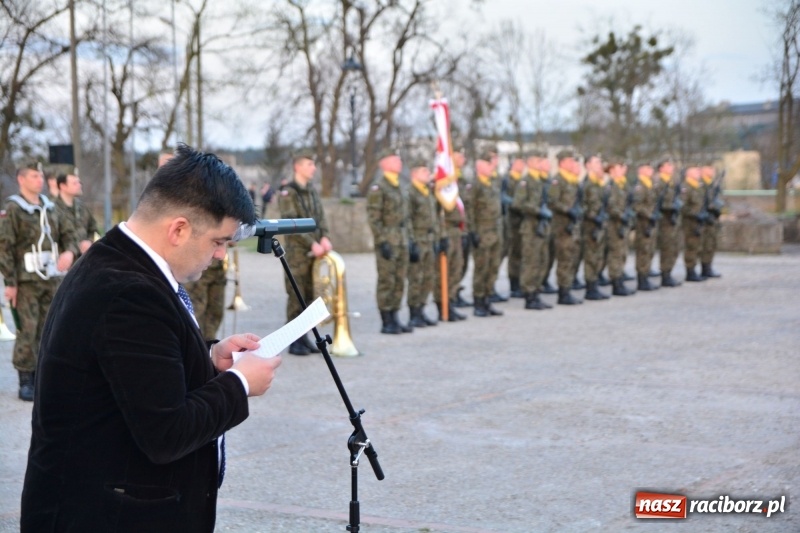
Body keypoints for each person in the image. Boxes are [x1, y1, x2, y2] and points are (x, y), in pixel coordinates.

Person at [20, 144, 282, 532]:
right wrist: (239, 384)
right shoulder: (129, 293)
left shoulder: (117, 260)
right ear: (179, 229)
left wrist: (210, 357)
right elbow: (166, 432)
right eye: (218, 242)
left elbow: (134, 369)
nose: (220, 256)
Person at [0, 163, 77, 401]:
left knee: (50, 328)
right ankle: (26, 379)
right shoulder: (14, 208)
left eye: (41, 175)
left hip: (51, 278)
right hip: (26, 281)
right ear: (21, 179)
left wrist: (69, 252)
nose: (40, 180)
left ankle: (45, 377)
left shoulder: (50, 207)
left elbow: (69, 234)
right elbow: (5, 246)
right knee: (28, 329)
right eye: (34, 176)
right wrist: (10, 282)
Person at [278, 150, 332, 354]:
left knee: (310, 296)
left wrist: (324, 236)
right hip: (297, 254)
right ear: (297, 167)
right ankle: (294, 341)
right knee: (296, 296)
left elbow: (321, 217)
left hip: (314, 253)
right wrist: (311, 244)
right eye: (309, 164)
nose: (314, 168)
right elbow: (291, 223)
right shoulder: (288, 193)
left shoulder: (311, 191)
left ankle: (304, 337)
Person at [367, 148, 412, 334]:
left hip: (401, 240)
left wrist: (410, 239)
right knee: (387, 280)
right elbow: (374, 218)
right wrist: (381, 241)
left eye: (399, 159)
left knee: (399, 280)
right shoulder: (379, 188)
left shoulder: (400, 185)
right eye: (395, 159)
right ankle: (386, 320)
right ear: (384, 163)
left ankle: (395, 316)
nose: (399, 162)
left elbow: (406, 217)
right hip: (388, 241)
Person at [512, 149, 553, 310]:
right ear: (529, 162)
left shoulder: (541, 181)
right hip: (530, 227)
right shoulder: (526, 182)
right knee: (531, 262)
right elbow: (517, 203)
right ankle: (529, 295)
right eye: (537, 160)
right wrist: (537, 210)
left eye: (541, 160)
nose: (540, 163)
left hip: (542, 227)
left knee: (542, 260)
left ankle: (536, 291)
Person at [467, 149, 504, 317]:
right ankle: (478, 301)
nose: (492, 166)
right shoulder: (475, 186)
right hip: (482, 232)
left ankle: (488, 299)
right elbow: (470, 211)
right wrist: (473, 231)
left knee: (493, 267)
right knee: (481, 268)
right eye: (489, 163)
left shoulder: (492, 183)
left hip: (495, 231)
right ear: (479, 165)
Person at [406, 158, 439, 328]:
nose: (428, 174)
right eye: (424, 171)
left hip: (429, 239)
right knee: (416, 277)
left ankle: (421, 309)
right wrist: (411, 242)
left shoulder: (427, 191)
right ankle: (413, 312)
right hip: (417, 239)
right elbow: (407, 219)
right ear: (414, 174)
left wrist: (437, 238)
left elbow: (434, 218)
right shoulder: (410, 193)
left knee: (428, 277)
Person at [547, 149, 583, 305]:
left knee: (570, 258)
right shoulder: (557, 181)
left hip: (571, 226)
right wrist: (567, 210)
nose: (573, 163)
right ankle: (563, 292)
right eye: (570, 161)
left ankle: (567, 288)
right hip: (561, 227)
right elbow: (552, 201)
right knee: (564, 259)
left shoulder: (571, 181)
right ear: (562, 163)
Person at [580, 154, 610, 301]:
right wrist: (593, 216)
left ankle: (595, 284)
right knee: (591, 257)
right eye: (597, 162)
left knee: (598, 255)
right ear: (588, 165)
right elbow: (582, 206)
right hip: (589, 225)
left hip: (600, 225)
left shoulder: (599, 184)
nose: (600, 165)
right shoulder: (585, 185)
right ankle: (590, 288)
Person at [605, 158, 635, 296]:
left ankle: (620, 278)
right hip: (614, 225)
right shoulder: (611, 186)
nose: (624, 169)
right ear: (611, 170)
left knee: (622, 252)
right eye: (620, 167)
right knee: (616, 254)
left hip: (623, 223)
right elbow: (611, 206)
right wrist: (622, 215)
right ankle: (616, 283)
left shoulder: (623, 185)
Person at [654, 159, 683, 287]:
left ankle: (669, 271)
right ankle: (665, 274)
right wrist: (670, 206)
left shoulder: (672, 182)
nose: (672, 168)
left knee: (674, 247)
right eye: (668, 165)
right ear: (661, 168)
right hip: (664, 220)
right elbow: (657, 202)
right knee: (667, 248)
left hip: (673, 219)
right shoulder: (659, 183)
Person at [55, 172, 98, 257]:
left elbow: (94, 231)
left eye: (79, 182)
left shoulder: (83, 208)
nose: (79, 185)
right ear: (63, 186)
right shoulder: (52, 209)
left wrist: (90, 241)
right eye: (75, 183)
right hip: (62, 260)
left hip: (84, 260)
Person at [502, 156, 526, 298]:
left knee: (521, 252)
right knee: (514, 253)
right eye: (519, 163)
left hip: (521, 220)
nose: (522, 165)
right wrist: (516, 203)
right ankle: (514, 283)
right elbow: (504, 197)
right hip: (512, 221)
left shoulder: (521, 180)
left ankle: (519, 281)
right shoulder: (507, 180)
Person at [633, 163, 659, 292]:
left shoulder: (650, 185)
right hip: (643, 223)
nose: (651, 170)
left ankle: (646, 275)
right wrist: (649, 214)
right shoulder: (640, 187)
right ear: (641, 170)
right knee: (643, 250)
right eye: (648, 168)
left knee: (650, 249)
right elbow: (637, 205)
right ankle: (642, 279)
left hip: (651, 222)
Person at [681, 165, 706, 282]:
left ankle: (694, 269)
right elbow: (683, 206)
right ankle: (690, 271)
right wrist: (695, 214)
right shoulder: (686, 187)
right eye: (695, 171)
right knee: (691, 246)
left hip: (698, 221)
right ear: (688, 173)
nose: (698, 173)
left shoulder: (698, 186)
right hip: (689, 222)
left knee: (697, 246)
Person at [700, 165, 723, 278]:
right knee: (705, 245)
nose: (712, 171)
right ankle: (704, 268)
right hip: (704, 218)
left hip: (712, 218)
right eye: (709, 168)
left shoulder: (712, 184)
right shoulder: (701, 185)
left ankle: (708, 266)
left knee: (711, 244)